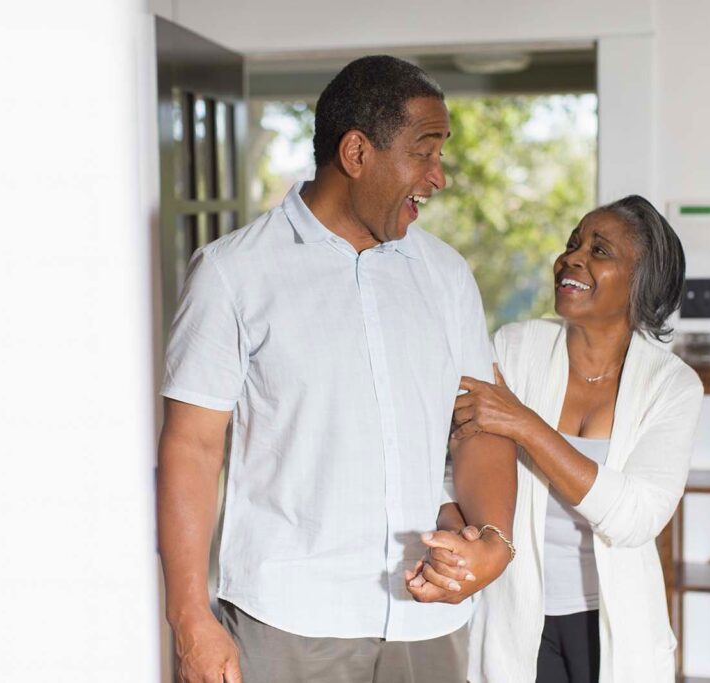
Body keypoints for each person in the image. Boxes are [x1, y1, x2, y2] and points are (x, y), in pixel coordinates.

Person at [157, 55, 517, 683]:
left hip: (427, 624)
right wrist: (191, 620)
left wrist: (494, 542)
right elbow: (191, 448)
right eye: (423, 151)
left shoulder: (446, 275)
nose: (438, 177)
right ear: (356, 153)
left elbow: (478, 425)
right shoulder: (232, 273)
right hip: (288, 624)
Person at [408, 196, 704, 682]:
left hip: (610, 625)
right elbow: (455, 465)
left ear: (641, 281)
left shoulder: (673, 386)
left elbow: (636, 517)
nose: (572, 258)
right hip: (516, 617)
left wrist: (524, 424)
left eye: (599, 250)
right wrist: (458, 528)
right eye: (573, 244)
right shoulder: (515, 346)